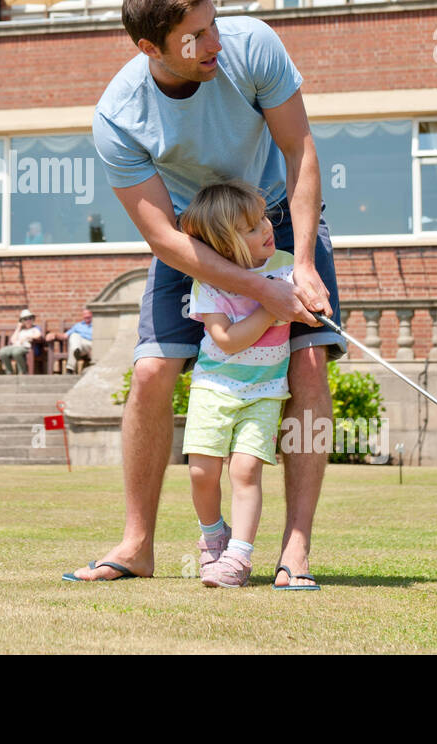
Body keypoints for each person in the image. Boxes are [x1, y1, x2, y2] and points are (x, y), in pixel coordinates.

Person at [64, 0, 344, 587]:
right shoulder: (119, 116)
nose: (215, 42)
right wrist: (256, 289)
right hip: (195, 234)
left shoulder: (254, 47)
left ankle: (294, 551)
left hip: (276, 213)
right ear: (149, 48)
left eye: (213, 23)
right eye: (195, 36)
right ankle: (138, 544)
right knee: (153, 369)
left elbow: (299, 151)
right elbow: (163, 236)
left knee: (307, 364)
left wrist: (296, 264)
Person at [178, 180, 296, 589]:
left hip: (265, 390)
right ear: (225, 248)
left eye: (262, 218)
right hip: (215, 385)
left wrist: (310, 302)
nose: (266, 228)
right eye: (249, 228)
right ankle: (213, 540)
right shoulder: (209, 281)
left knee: (245, 471)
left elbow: (310, 305)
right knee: (200, 471)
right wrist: (270, 306)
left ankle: (239, 557)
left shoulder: (286, 265)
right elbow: (225, 341)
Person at [47, 309, 93, 374]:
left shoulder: (96, 324)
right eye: (85, 314)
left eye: (88, 314)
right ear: (82, 316)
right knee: (74, 335)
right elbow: (65, 336)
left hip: (90, 344)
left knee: (73, 347)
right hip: (79, 344)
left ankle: (70, 369)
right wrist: (55, 334)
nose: (86, 316)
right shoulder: (78, 325)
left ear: (92, 314)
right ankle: (76, 351)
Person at [0, 310, 43, 374]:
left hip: (27, 347)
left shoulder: (35, 328)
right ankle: (9, 371)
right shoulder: (20, 329)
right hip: (16, 346)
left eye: (30, 318)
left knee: (16, 352)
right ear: (22, 321)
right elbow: (13, 340)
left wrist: (28, 337)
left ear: (33, 319)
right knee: (2, 351)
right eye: (25, 319)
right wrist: (18, 327)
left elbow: (38, 335)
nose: (28, 320)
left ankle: (23, 371)